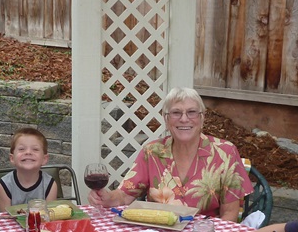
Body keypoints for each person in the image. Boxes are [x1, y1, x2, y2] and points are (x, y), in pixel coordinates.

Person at [87, 87, 252, 221]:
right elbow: (124, 196)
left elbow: (229, 214)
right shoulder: (152, 152)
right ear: (166, 120)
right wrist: (107, 198)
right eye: (176, 113)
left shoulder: (225, 152)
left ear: (202, 119)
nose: (184, 119)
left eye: (192, 112)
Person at [0, 127, 59, 211]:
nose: (28, 152)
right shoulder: (5, 185)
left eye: (35, 149)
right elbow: (6, 216)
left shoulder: (50, 185)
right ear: (12, 158)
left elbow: (49, 215)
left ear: (44, 159)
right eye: (21, 149)